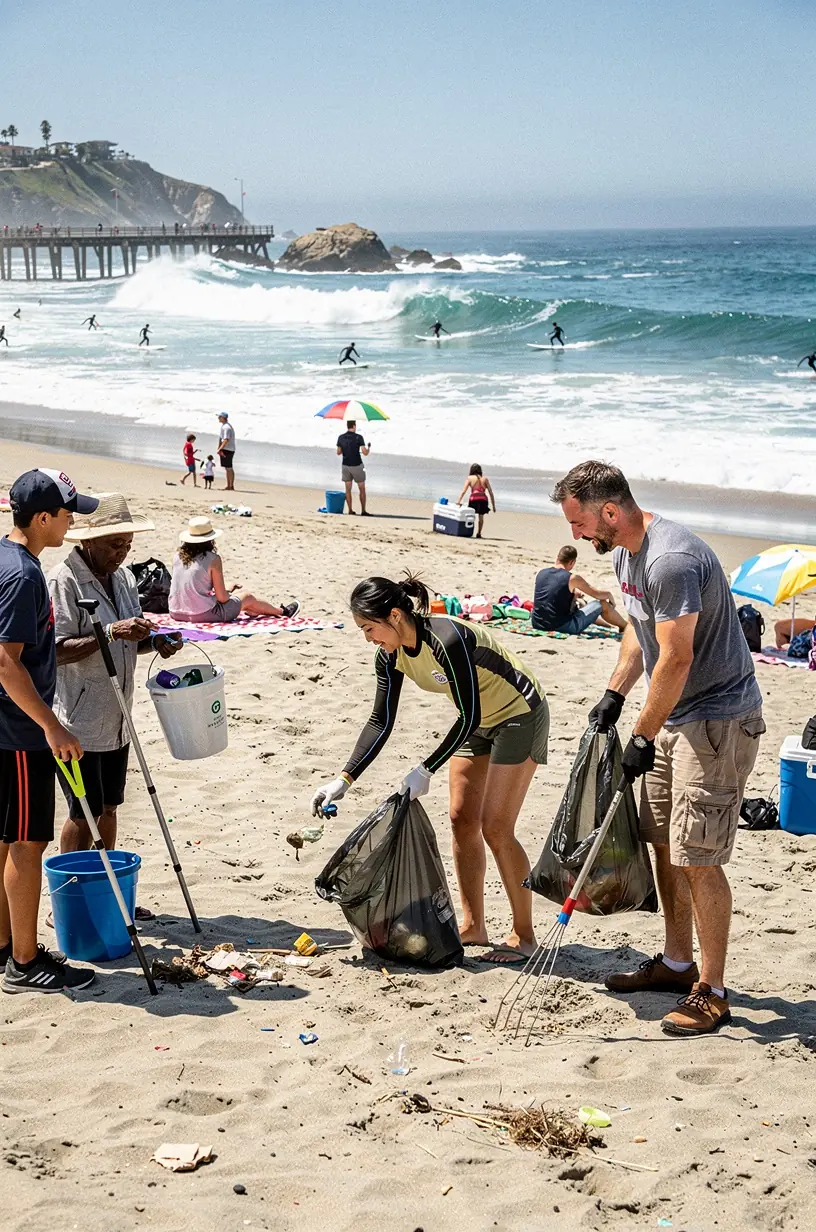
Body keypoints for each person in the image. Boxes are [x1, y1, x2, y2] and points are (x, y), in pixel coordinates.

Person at [552, 460, 764, 1036]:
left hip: (716, 720)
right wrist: (614, 696)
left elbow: (676, 656)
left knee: (699, 855)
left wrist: (642, 734)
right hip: (673, 714)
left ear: (610, 513)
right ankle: (676, 963)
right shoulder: (622, 551)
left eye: (579, 522)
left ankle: (712, 991)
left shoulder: (670, 559)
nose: (575, 534)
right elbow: (638, 633)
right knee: (667, 844)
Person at [310, 574, 550, 964]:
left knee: (496, 827)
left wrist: (426, 768)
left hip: (520, 713)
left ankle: (524, 935)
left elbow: (468, 713)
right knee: (460, 819)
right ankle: (473, 925)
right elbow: (380, 721)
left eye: (369, 628)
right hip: (477, 721)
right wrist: (344, 779)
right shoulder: (389, 655)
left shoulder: (446, 640)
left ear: (394, 615)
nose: (368, 638)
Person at [0, 467, 99, 995]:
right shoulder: (23, 574)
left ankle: (3, 947)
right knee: (28, 843)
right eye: (66, 514)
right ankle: (23, 961)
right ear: (42, 518)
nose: (70, 523)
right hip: (17, 732)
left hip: (8, 727)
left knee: (5, 839)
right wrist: (51, 726)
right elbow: (5, 661)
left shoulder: (7, 557)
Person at [48, 493, 181, 874]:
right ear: (88, 540)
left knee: (109, 805)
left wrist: (154, 641)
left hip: (118, 717)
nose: (121, 553)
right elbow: (56, 649)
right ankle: (71, 888)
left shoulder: (122, 577)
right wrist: (109, 631)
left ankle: (106, 883)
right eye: (114, 544)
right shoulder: (65, 580)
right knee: (83, 810)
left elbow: (127, 638)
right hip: (79, 722)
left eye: (127, 545)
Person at [168, 516, 300, 622]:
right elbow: (223, 599)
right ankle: (283, 612)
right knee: (247, 596)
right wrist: (229, 591)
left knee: (242, 601)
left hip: (175, 612)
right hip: (201, 614)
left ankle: (256, 609)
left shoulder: (177, 556)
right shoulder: (213, 559)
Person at [532, 545, 628, 634]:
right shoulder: (572, 578)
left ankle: (610, 626)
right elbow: (597, 594)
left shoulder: (541, 573)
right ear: (572, 562)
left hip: (537, 623)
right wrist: (610, 596)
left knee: (583, 608)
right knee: (601, 604)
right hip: (562, 627)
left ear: (558, 558)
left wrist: (573, 594)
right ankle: (625, 626)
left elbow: (552, 596)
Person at [336, 419, 370, 515]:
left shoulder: (341, 437)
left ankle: (350, 510)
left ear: (347, 426)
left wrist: (346, 449)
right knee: (362, 488)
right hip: (357, 465)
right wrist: (369, 448)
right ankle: (363, 510)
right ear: (354, 426)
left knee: (348, 489)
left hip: (345, 466)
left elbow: (338, 452)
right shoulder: (359, 437)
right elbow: (365, 452)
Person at [457, 464, 495, 539]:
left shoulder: (470, 478)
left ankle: (468, 530)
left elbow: (464, 491)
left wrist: (458, 501)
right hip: (483, 500)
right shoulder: (485, 479)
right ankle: (479, 533)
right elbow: (490, 492)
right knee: (481, 517)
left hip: (473, 499)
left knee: (470, 516)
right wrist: (493, 505)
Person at [216, 412, 236, 492]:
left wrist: (220, 449)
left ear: (223, 418)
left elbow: (226, 439)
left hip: (228, 449)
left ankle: (230, 486)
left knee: (229, 468)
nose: (218, 418)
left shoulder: (226, 427)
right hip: (227, 449)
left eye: (219, 417)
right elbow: (221, 439)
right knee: (227, 468)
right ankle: (229, 485)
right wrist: (219, 448)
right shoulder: (224, 426)